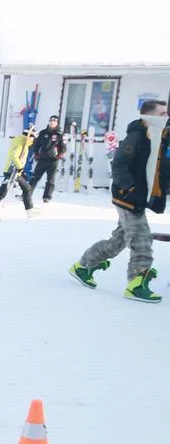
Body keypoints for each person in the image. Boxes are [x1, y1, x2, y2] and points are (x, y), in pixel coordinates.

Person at [69, 99, 169, 303]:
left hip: (139, 196)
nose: (166, 117)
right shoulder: (137, 135)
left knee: (119, 241)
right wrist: (129, 188)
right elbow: (119, 163)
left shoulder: (159, 137)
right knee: (142, 239)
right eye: (162, 114)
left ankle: (83, 266)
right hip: (128, 197)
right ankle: (136, 284)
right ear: (148, 116)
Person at [0, 126, 37, 220]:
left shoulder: (21, 142)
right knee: (2, 194)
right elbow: (14, 156)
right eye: (33, 137)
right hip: (12, 171)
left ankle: (30, 211)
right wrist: (20, 166)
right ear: (29, 136)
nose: (33, 140)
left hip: (15, 172)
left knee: (27, 189)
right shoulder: (20, 143)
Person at [29, 114, 66, 203]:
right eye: (51, 121)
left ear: (57, 123)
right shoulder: (42, 133)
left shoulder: (60, 134)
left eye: (54, 121)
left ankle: (47, 197)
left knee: (50, 180)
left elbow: (63, 147)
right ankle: (26, 195)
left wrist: (59, 155)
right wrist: (36, 154)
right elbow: (36, 144)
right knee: (34, 178)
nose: (52, 123)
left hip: (53, 160)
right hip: (42, 159)